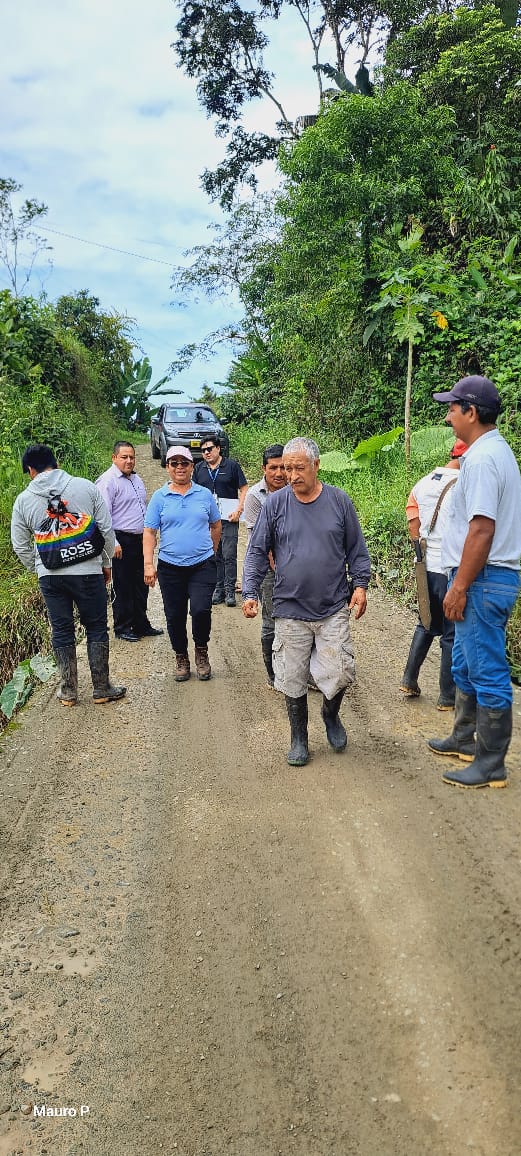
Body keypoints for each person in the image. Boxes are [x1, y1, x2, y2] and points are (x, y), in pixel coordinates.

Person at [242, 437, 371, 766]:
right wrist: (251, 591)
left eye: (299, 468)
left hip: (332, 605)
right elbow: (257, 550)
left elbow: (356, 549)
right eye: (287, 469)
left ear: (316, 465)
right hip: (290, 607)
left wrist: (360, 585)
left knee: (339, 671)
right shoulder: (275, 504)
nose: (292, 475)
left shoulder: (339, 501)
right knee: (292, 675)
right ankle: (299, 737)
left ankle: (330, 715)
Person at [428, 375, 521, 788]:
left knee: (487, 669)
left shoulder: (483, 460)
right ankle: (464, 738)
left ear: (471, 412)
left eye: (452, 408)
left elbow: (482, 529)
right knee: (466, 664)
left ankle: (491, 763)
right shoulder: (489, 453)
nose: (448, 416)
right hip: (481, 577)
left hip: (482, 579)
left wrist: (460, 585)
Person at [11, 443, 126, 706]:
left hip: (50, 576)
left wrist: (39, 568)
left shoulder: (23, 500)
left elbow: (20, 544)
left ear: (30, 470)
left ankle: (68, 692)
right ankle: (101, 688)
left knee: (61, 630)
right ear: (57, 463)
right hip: (88, 571)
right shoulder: (85, 487)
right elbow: (106, 529)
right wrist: (105, 562)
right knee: (96, 626)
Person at [143, 445, 221, 682]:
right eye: (174, 463)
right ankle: (181, 657)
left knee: (201, 609)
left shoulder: (204, 495)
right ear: (167, 467)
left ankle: (201, 651)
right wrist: (148, 564)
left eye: (184, 463)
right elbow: (149, 532)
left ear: (192, 467)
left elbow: (216, 525)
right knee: (174, 615)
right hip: (170, 567)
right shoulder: (159, 497)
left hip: (202, 565)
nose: (179, 467)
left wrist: (210, 551)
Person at [399, 439, 467, 709]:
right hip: (451, 568)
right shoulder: (466, 484)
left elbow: (413, 523)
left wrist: (422, 551)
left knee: (426, 622)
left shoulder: (424, 482)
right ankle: (447, 696)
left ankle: (409, 679)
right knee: (451, 632)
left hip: (426, 567)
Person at [95, 441, 164, 642]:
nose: (129, 461)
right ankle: (122, 626)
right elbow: (102, 516)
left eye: (132, 457)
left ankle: (141, 624)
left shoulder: (136, 479)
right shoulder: (108, 481)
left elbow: (142, 507)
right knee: (123, 585)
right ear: (114, 458)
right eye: (124, 457)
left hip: (139, 540)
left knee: (141, 584)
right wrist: (113, 542)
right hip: (120, 540)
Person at [243, 444, 286, 687]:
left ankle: (298, 670)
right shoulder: (254, 496)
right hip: (267, 566)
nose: (279, 473)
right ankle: (273, 674)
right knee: (271, 619)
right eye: (273, 468)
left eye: (283, 467)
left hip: (293, 564)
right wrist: (279, 567)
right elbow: (261, 542)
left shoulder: (295, 490)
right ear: (264, 469)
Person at [193, 436, 248, 607]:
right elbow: (193, 491)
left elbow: (244, 488)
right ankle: (218, 588)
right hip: (209, 520)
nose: (206, 453)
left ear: (218, 448)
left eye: (209, 449)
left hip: (229, 517)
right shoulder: (199, 468)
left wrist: (239, 509)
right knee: (215, 554)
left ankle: (230, 589)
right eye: (203, 450)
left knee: (229, 554)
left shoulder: (231, 466)